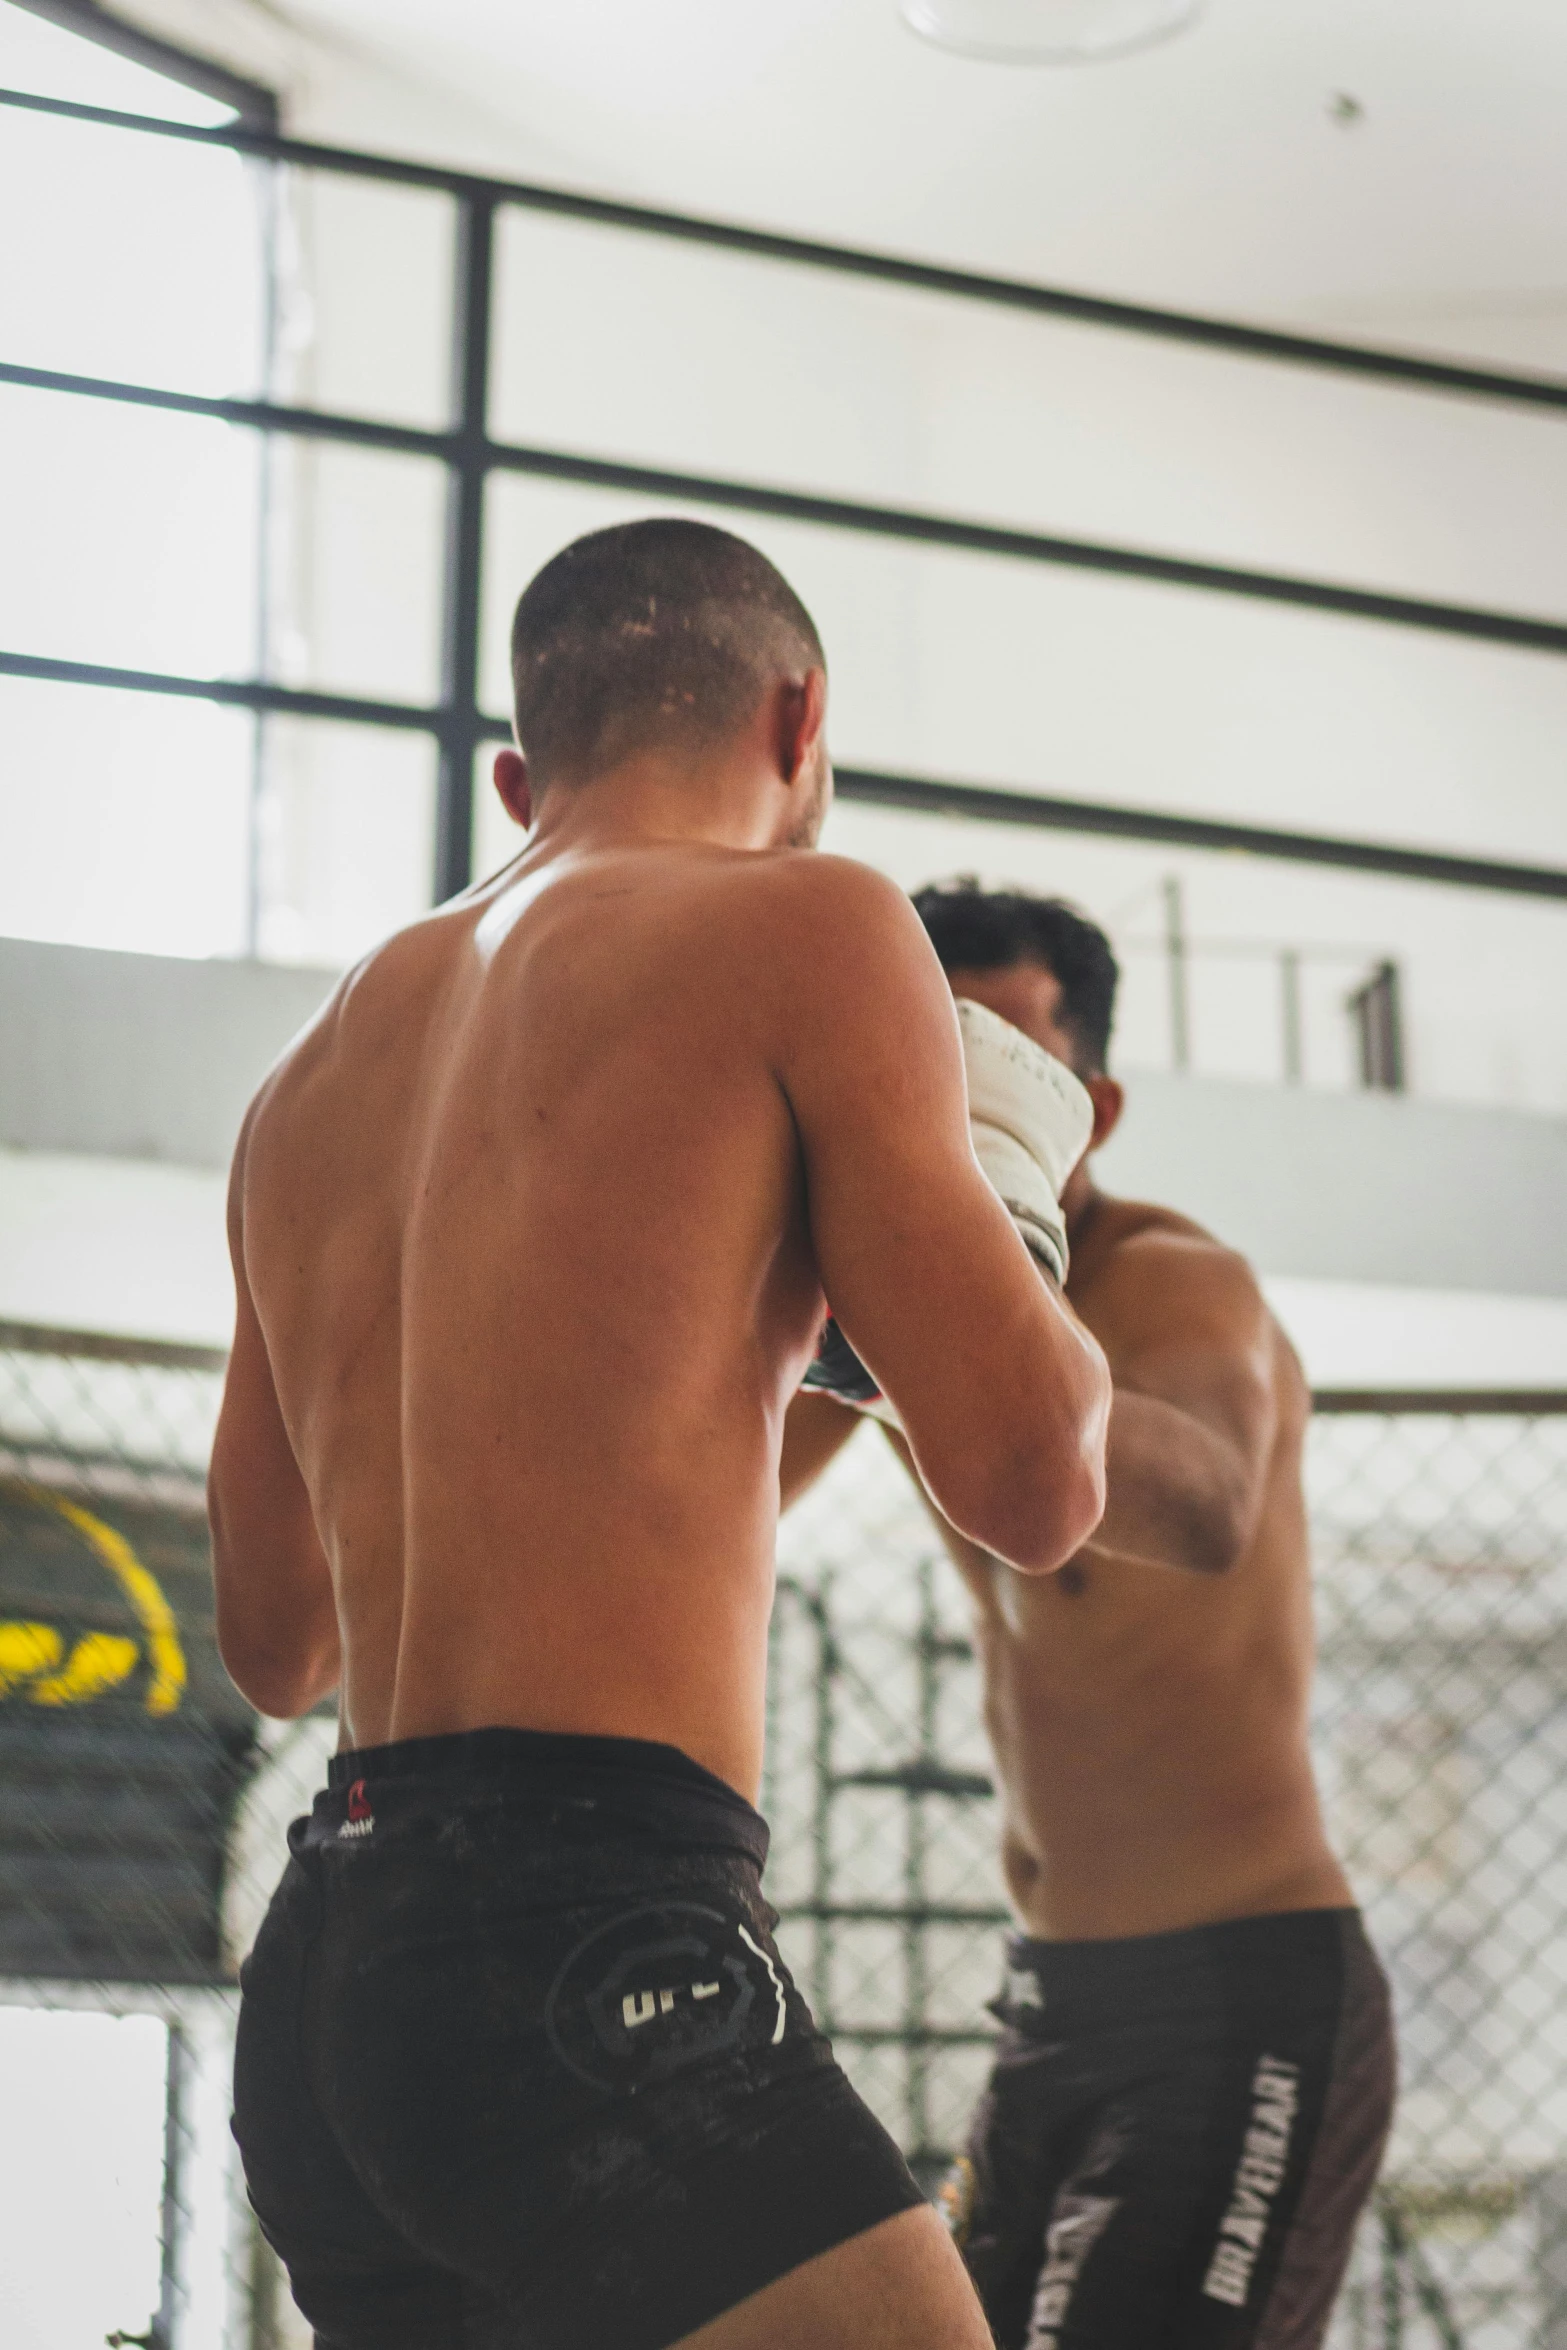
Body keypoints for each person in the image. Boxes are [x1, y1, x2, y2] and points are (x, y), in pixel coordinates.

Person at [209, 527, 1111, 2350]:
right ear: (803, 722)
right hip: (581, 1922)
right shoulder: (812, 921)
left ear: (515, 778)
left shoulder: (310, 1075)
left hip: (333, 1967)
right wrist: (1012, 1219)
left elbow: (277, 1640)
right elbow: (1035, 1481)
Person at [782, 879, 1396, 2350]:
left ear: (1089, 1104)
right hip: (1052, 1997)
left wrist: (965, 1342)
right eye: (937, 1045)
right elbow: (720, 1485)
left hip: (1241, 1994)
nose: (964, 1085)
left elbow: (1204, 1506)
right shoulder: (897, 1301)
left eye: (1004, 1049)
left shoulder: (1177, 1284)